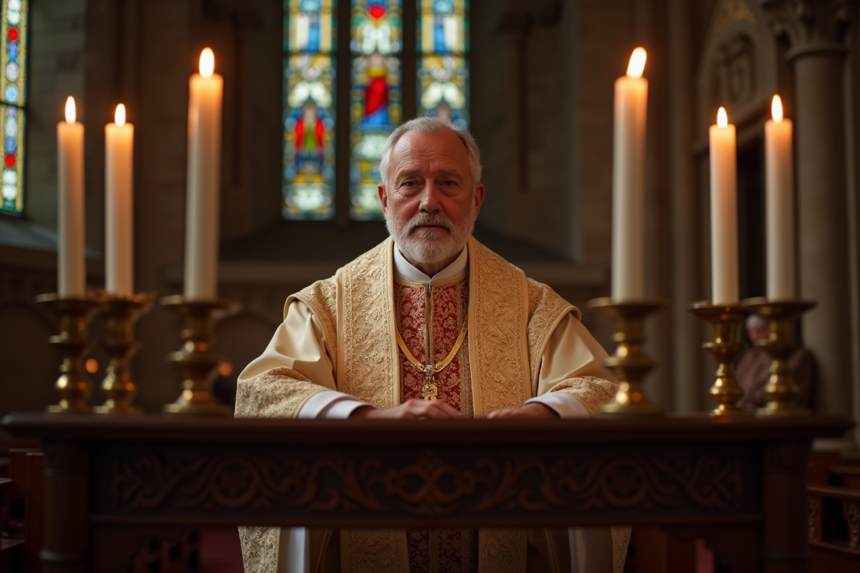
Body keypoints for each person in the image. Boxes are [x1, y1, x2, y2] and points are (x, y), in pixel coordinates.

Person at [235, 117, 628, 573]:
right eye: (409, 184)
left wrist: (541, 418)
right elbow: (263, 394)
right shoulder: (328, 306)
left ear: (476, 200)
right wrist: (368, 420)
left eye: (448, 183)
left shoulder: (531, 306)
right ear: (384, 199)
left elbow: (602, 390)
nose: (429, 202)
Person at [736, 314, 817, 411]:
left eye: (759, 331)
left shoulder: (797, 356)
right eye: (751, 332)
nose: (754, 336)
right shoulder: (749, 356)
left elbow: (780, 397)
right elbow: (738, 389)